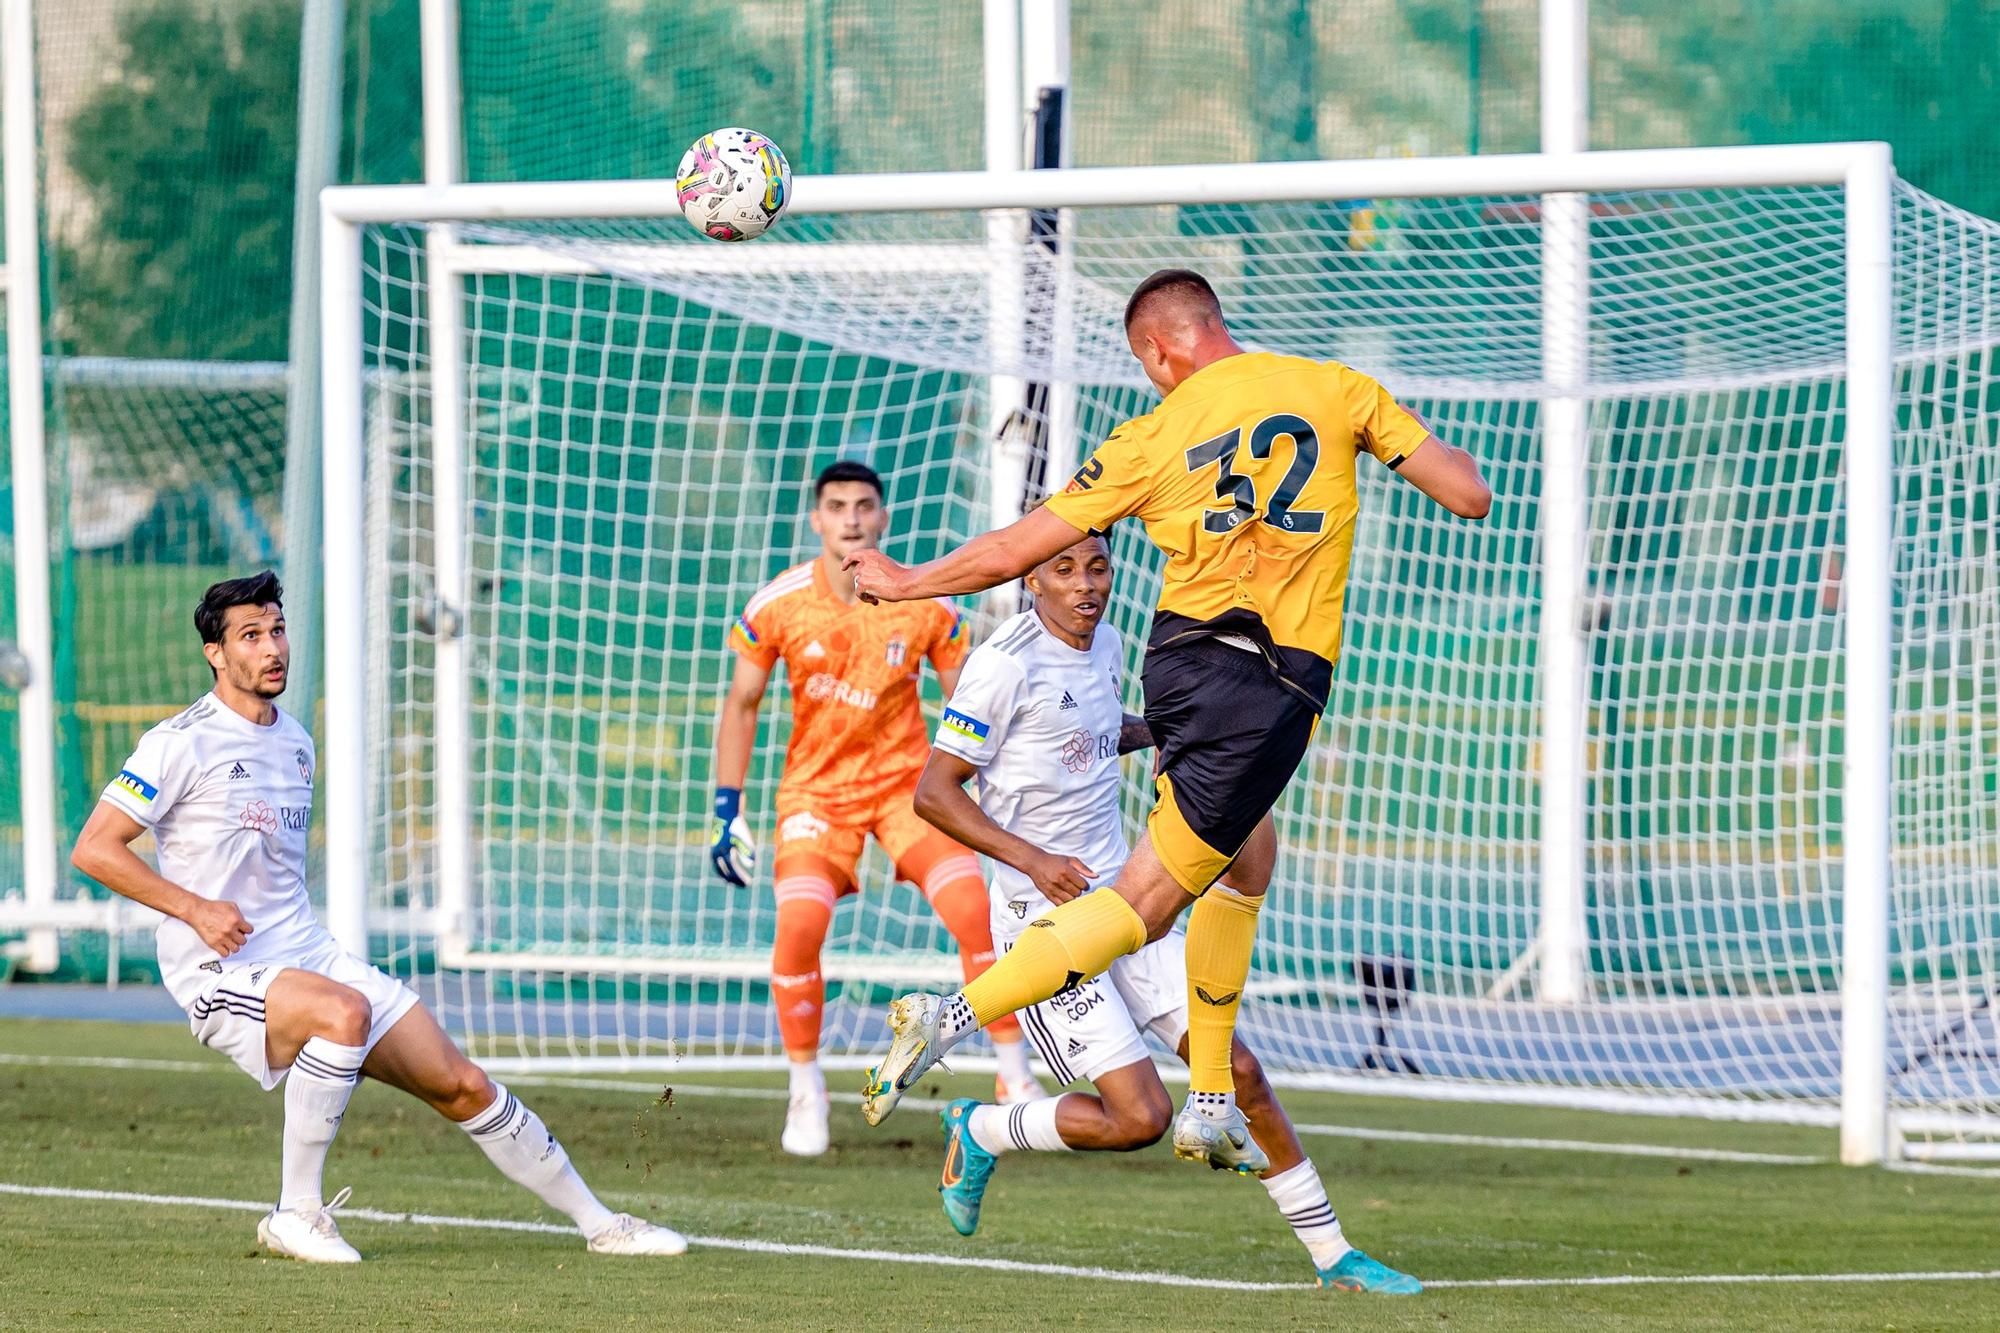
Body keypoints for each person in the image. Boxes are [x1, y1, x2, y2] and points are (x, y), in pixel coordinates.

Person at [852, 269, 1491, 1170]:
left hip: (1186, 664)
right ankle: (958, 1014)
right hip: (1266, 682)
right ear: (1210, 326)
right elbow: (1468, 494)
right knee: (1147, 907)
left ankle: (1212, 1099)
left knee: (1250, 851)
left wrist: (911, 579)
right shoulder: (1339, 388)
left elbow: (1011, 549)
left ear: (1158, 349)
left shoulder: (1147, 438)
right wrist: (1413, 448)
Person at [69, 572, 684, 1263]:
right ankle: (295, 1210)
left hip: (305, 952)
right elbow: (93, 848)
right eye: (251, 635)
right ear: (216, 652)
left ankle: (602, 1222)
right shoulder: (178, 742)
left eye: (277, 629)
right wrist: (195, 908)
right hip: (219, 968)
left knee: (462, 1082)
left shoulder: (297, 742)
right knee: (343, 1013)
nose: (273, 647)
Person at [910, 533, 1420, 1293]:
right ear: (1030, 578)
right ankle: (981, 1127)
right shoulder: (1000, 664)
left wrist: (1173, 735)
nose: (1086, 584)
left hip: (1129, 902)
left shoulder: (1111, 640)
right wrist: (1035, 860)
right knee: (1140, 1117)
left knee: (1237, 1070)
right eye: (1063, 568)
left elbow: (1094, 730)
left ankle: (1334, 1254)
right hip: (1038, 920)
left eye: (1098, 566)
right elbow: (934, 792)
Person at [710, 460, 1041, 1156]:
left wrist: (991, 790)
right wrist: (726, 806)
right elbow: (742, 702)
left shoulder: (925, 602)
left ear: (883, 517)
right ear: (816, 519)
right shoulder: (778, 602)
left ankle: (1016, 1076)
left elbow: (965, 701)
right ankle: (806, 1087)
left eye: (864, 505)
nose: (852, 518)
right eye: (837, 506)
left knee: (975, 913)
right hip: (817, 792)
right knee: (798, 925)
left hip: (907, 790)